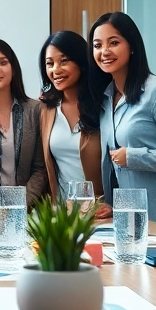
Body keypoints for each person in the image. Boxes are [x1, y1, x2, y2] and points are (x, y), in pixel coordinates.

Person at [90, 12, 156, 229]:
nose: (104, 51)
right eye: (98, 45)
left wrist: (133, 156)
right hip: (125, 218)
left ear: (132, 46)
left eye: (114, 43)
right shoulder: (106, 97)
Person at [38, 30, 110, 218]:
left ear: (81, 62)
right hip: (63, 215)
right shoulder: (46, 109)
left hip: (101, 214)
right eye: (49, 63)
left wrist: (112, 204)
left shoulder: (104, 104)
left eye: (64, 61)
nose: (56, 70)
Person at [0, 39, 49, 211]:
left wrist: (21, 206)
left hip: (29, 211)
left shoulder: (35, 110)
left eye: (2, 62)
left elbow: (40, 168)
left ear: (13, 69)